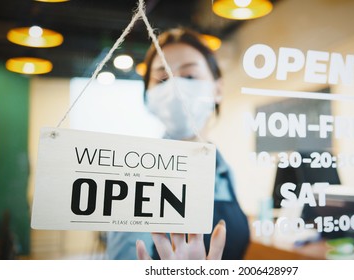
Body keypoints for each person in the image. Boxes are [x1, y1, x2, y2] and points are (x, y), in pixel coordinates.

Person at [105, 27, 250, 260]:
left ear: (218, 89)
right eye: (162, 78)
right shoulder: (136, 177)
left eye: (190, 76)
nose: (175, 88)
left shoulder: (223, 171)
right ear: (148, 97)